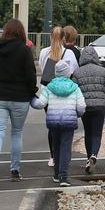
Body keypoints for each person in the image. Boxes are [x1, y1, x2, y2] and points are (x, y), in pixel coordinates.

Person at [0, 19, 37, 189]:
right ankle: (15, 170)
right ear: (21, 33)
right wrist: (32, 91)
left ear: (5, 31)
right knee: (16, 133)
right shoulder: (25, 50)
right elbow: (30, 75)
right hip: (20, 98)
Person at [31, 61, 86, 187]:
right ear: (68, 73)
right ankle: (64, 177)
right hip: (69, 122)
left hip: (54, 122)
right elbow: (82, 106)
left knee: (56, 147)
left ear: (56, 73)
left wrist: (31, 99)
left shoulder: (50, 87)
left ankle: (56, 174)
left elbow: (40, 104)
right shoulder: (75, 87)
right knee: (66, 148)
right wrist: (76, 114)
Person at [37, 26, 79, 166]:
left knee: (53, 125)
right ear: (63, 39)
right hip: (65, 92)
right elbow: (74, 71)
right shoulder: (69, 54)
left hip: (47, 91)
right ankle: (63, 156)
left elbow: (43, 70)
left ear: (50, 37)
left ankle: (53, 156)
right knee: (65, 124)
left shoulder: (43, 52)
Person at [73, 45, 105, 174]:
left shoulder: (77, 72)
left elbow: (74, 89)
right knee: (97, 133)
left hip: (85, 107)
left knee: (88, 133)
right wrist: (104, 100)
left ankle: (88, 157)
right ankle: (94, 155)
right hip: (99, 107)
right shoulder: (103, 71)